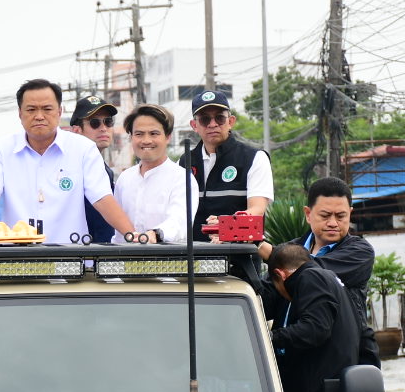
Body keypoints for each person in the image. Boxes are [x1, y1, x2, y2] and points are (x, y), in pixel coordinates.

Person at [0, 79, 136, 245]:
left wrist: (133, 236)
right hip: (17, 259)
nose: (39, 116)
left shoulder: (83, 149)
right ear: (20, 114)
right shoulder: (1, 150)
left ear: (59, 112)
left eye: (47, 109)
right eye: (31, 109)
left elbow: (102, 198)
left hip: (71, 258)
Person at [268, 243, 359, 392]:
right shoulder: (330, 278)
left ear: (280, 274)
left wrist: (268, 339)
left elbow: (315, 329)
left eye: (277, 288)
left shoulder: (310, 279)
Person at [284, 176, 379, 366]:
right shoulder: (289, 249)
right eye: (325, 216)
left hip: (344, 360)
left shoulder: (359, 252)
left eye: (340, 216)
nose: (333, 223)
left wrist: (270, 253)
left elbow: (313, 272)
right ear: (308, 214)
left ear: (350, 214)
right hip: (291, 356)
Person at [177, 88, 273, 241]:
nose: (213, 124)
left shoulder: (255, 158)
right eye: (205, 119)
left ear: (231, 122)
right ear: (194, 125)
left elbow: (257, 210)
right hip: (192, 258)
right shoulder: (183, 163)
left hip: (239, 257)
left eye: (219, 118)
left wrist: (225, 227)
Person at [111, 104, 198, 244]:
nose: (146, 140)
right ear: (131, 137)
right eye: (139, 134)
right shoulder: (125, 178)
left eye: (154, 133)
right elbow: (118, 232)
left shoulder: (182, 178)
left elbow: (179, 222)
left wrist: (155, 234)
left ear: (168, 137)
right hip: (125, 260)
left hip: (168, 262)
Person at [71, 95, 118, 244]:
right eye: (94, 123)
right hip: (78, 252)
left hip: (103, 253)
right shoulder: (69, 167)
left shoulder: (105, 169)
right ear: (77, 130)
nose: (103, 128)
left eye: (108, 122)